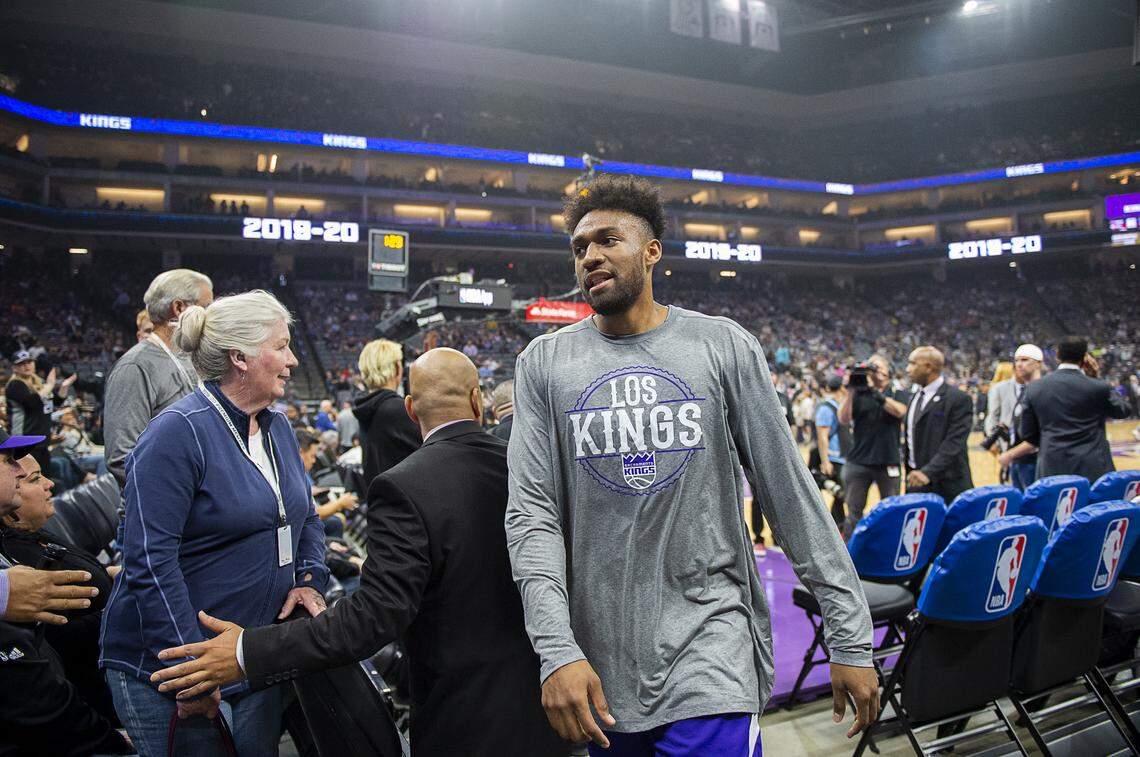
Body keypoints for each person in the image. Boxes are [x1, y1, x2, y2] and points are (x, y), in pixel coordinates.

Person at [505, 175, 877, 754]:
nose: (591, 257)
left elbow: (788, 492)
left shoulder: (721, 345)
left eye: (608, 240)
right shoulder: (543, 363)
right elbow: (531, 517)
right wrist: (555, 649)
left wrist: (849, 637)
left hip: (712, 647)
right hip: (603, 670)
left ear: (652, 251)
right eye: (580, 247)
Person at [149, 348, 571, 757]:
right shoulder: (530, 468)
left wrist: (248, 652)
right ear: (478, 402)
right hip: (551, 699)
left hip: (463, 718)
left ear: (410, 409)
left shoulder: (403, 487)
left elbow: (372, 618)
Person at [100, 290, 329, 757]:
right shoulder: (175, 433)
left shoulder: (278, 426)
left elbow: (304, 518)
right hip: (173, 669)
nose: (292, 360)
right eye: (281, 346)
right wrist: (193, 669)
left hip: (249, 658)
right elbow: (149, 561)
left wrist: (309, 578)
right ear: (239, 357)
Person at [103, 268, 214, 487]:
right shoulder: (134, 366)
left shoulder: (190, 357)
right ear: (179, 308)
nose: (211, 316)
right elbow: (123, 456)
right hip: (159, 513)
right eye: (206, 307)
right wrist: (187, 488)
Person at [1012, 336, 1131, 482]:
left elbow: (1028, 434)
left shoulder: (1036, 388)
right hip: (1093, 467)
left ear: (1057, 356)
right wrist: (1096, 378)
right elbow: (1123, 411)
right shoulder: (1098, 386)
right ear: (1084, 357)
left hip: (1052, 467)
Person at [836, 355, 908, 539]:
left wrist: (875, 392)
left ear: (888, 372)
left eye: (879, 367)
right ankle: (852, 556)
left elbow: (900, 411)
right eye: (872, 367)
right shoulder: (859, 393)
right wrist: (851, 392)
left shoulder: (896, 391)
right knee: (853, 512)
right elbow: (843, 419)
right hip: (858, 461)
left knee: (891, 510)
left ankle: (888, 548)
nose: (875, 371)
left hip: (888, 460)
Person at [902, 346, 974, 502]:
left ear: (928, 367)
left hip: (947, 484)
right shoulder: (914, 397)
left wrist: (928, 472)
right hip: (917, 481)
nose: (908, 369)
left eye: (913, 364)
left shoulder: (958, 399)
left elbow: (954, 442)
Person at [353, 338, 420, 487]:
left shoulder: (367, 407)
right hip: (406, 502)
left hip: (382, 502)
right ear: (397, 368)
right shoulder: (398, 409)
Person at [6, 349, 76, 474]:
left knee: (45, 479)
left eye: (29, 362)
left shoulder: (38, 384)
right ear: (14, 368)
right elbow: (32, 402)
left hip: (42, 441)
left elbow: (54, 403)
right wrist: (49, 385)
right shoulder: (14, 385)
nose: (26, 366)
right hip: (25, 442)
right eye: (21, 364)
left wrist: (64, 387)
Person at [987, 344, 1043, 491]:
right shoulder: (1024, 391)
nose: (1019, 364)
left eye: (1024, 360)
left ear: (1038, 363)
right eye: (1017, 360)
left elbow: (1037, 435)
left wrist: (1009, 454)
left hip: (1033, 460)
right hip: (1017, 459)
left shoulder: (1041, 390)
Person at [814, 375, 849, 528]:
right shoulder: (826, 407)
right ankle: (832, 526)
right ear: (841, 388)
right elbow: (822, 436)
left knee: (842, 494)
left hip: (844, 457)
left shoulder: (841, 406)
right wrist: (825, 460)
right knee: (841, 493)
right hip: (833, 457)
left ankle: (837, 525)